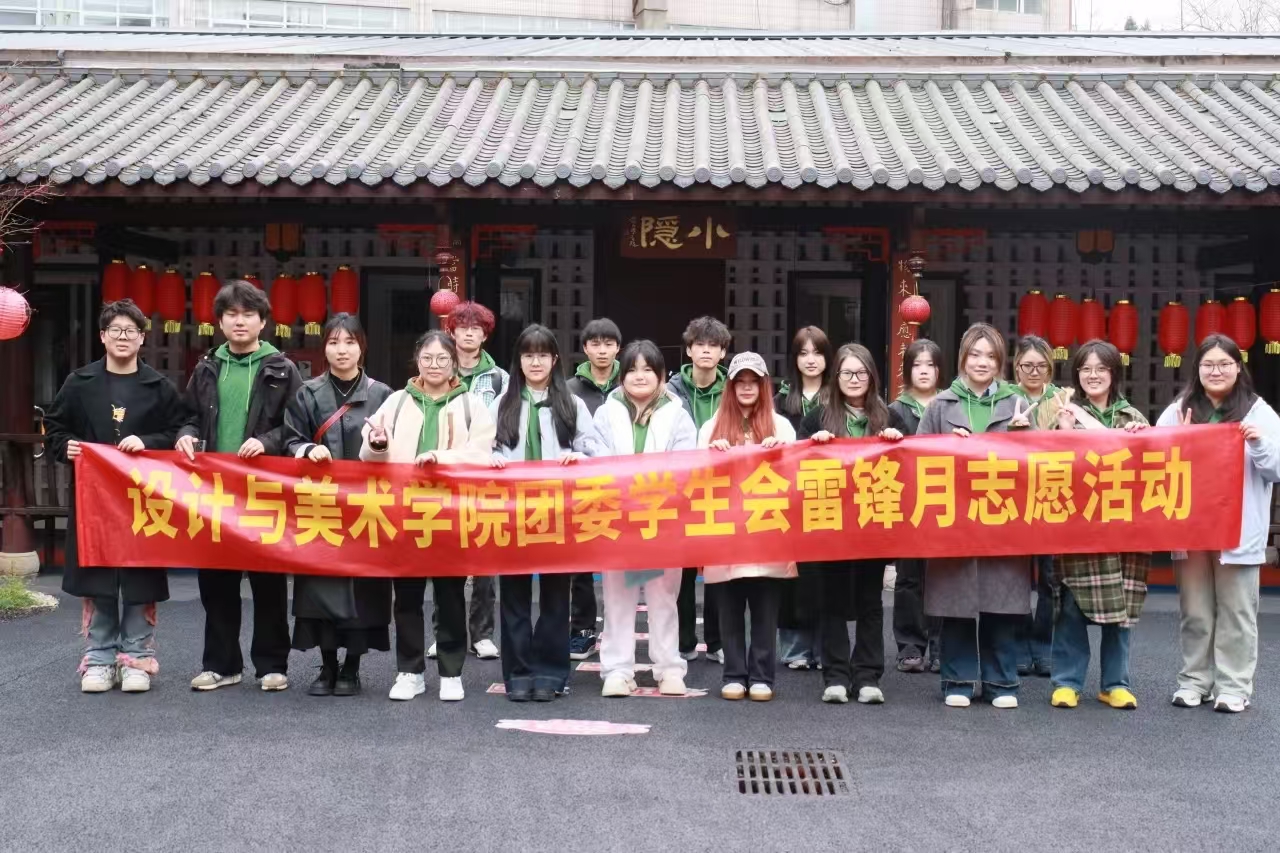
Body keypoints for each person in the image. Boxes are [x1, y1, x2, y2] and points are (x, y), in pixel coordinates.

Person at [45, 299, 186, 694]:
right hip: (95, 499)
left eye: (131, 331)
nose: (123, 337)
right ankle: (100, 657)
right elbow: (54, 429)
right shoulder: (79, 382)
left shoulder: (159, 386)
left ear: (142, 338)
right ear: (103, 336)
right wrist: (68, 446)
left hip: (143, 499)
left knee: (140, 575)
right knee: (99, 572)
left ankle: (137, 657)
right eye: (116, 330)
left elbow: (180, 431)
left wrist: (149, 442)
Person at [177, 279, 302, 692]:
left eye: (249, 314)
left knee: (268, 584)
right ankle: (221, 664)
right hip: (214, 493)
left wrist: (267, 442)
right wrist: (186, 434)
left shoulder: (281, 368)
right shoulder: (206, 366)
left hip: (263, 491)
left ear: (263, 321)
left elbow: (298, 426)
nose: (240, 321)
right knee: (216, 585)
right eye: (231, 314)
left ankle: (271, 665)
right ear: (220, 322)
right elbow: (189, 415)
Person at [362, 330, 496, 703]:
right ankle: (410, 671)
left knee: (451, 595)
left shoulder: (471, 404)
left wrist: (442, 458)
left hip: (452, 514)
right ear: (416, 361)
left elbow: (482, 454)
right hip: (404, 513)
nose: (434, 365)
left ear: (454, 363)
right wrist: (377, 444)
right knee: (406, 597)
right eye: (427, 358)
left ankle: (451, 672)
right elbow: (369, 454)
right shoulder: (396, 401)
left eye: (441, 359)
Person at [1157, 333, 1280, 713]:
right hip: (1192, 528)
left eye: (1224, 364)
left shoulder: (1258, 412)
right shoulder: (1179, 409)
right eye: (1208, 364)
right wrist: (1175, 439)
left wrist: (1258, 443)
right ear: (1197, 369)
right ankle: (1194, 680)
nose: (1216, 371)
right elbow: (1153, 460)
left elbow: (1276, 469)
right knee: (1195, 610)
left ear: (1238, 368)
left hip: (1237, 529)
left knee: (1237, 611)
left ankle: (1234, 686)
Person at [917, 323, 1033, 709]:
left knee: (1001, 602)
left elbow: (1039, 464)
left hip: (1004, 518)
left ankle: (1001, 682)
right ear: (963, 358)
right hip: (956, 520)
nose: (983, 362)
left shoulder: (1017, 403)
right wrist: (946, 448)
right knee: (957, 602)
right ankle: (958, 680)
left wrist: (1024, 436)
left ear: (1001, 362)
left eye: (991, 356)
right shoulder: (940, 405)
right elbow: (917, 459)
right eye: (975, 354)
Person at [490, 324, 603, 701]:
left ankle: (552, 674)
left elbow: (595, 449)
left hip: (558, 512)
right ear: (518, 360)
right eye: (528, 355)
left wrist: (579, 456)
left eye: (542, 355)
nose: (535, 362)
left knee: (556, 595)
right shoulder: (502, 403)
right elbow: (483, 447)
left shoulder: (571, 404)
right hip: (512, 512)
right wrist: (491, 458)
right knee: (514, 597)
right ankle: (518, 674)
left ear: (555, 359)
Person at [283, 313, 393, 697]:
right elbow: (289, 438)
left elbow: (397, 448)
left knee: (362, 590)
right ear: (324, 348)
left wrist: (382, 446)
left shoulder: (382, 395)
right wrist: (305, 448)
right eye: (333, 342)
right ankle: (327, 664)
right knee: (321, 586)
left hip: (366, 508)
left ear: (362, 347)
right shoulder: (307, 393)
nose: (341, 350)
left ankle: (352, 667)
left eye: (349, 342)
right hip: (322, 506)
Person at [1038, 340, 1150, 710]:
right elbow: (1046, 466)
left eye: (1101, 368)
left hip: (1122, 530)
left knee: (1121, 612)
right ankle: (1067, 682)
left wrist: (1142, 438)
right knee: (1070, 607)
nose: (1093, 375)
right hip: (1078, 526)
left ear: (1114, 373)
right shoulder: (1064, 412)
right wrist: (1063, 430)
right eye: (1086, 369)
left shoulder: (1131, 416)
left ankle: (1115, 684)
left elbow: (1152, 467)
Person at [801, 343, 907, 705]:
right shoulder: (817, 418)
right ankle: (835, 675)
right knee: (831, 599)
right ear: (836, 377)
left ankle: (867, 676)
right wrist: (812, 446)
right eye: (847, 372)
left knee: (870, 600)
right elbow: (797, 467)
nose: (854, 379)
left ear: (872, 376)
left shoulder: (890, 417)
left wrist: (897, 443)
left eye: (861, 372)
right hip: (830, 521)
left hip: (873, 521)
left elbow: (910, 465)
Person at [593, 340, 698, 697]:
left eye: (648, 370)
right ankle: (617, 670)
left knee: (663, 597)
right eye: (632, 370)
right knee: (618, 598)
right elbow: (596, 459)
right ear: (621, 376)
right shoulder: (606, 412)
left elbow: (685, 464)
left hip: (661, 520)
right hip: (617, 520)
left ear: (662, 375)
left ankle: (668, 668)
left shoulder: (677, 413)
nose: (640, 376)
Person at [699, 352, 796, 702]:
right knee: (729, 606)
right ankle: (734, 674)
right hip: (726, 529)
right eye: (740, 381)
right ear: (730, 386)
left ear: (764, 386)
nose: (746, 387)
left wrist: (780, 452)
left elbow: (797, 476)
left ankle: (762, 676)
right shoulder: (710, 428)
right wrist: (712, 454)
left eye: (754, 381)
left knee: (765, 607)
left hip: (767, 529)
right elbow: (695, 478)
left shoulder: (780, 426)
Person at [438, 300, 508, 661]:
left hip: (483, 473)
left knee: (484, 554)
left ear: (485, 335)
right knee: (444, 554)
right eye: (462, 327)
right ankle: (445, 631)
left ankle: (482, 633)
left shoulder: (499, 378)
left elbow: (507, 422)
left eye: (476, 328)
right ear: (451, 332)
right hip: (445, 473)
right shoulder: (437, 369)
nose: (469, 333)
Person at [669, 315, 731, 664]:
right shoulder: (670, 390)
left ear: (723, 352)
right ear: (689, 350)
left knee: (719, 567)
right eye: (700, 345)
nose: (706, 351)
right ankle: (684, 641)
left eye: (713, 346)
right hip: (680, 489)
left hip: (721, 487)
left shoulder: (734, 389)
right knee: (683, 568)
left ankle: (718, 641)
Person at [773, 326, 832, 671]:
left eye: (818, 353)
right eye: (803, 353)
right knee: (790, 575)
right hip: (788, 497)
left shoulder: (838, 399)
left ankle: (826, 648)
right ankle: (795, 648)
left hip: (826, 496)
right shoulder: (781, 400)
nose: (811, 360)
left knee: (824, 573)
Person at [565, 317, 622, 661]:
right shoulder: (568, 389)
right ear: (585, 348)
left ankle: (620, 632)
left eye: (608, 344)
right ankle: (583, 631)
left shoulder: (631, 382)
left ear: (618, 347)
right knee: (581, 565)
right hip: (582, 487)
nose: (602, 350)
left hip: (625, 487)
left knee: (627, 561)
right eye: (595, 344)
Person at [888, 338, 944, 675]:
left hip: (943, 502)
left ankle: (940, 645)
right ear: (907, 370)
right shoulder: (894, 410)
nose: (924, 371)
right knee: (908, 576)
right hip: (907, 503)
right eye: (917, 365)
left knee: (942, 575)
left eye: (930, 365)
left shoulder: (951, 405)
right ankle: (910, 644)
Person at [1010, 335, 1059, 677]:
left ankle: (1043, 645)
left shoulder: (1064, 400)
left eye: (1041, 365)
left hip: (1052, 495)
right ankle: (1018, 645)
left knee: (1051, 579)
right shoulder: (1004, 398)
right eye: (1027, 365)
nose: (1034, 371)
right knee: (1015, 578)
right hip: (1013, 499)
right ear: (1016, 367)